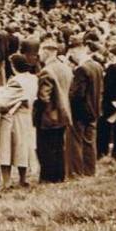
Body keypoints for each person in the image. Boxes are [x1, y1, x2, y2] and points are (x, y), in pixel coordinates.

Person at [0, 54, 35, 189]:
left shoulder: (16, 81)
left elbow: (2, 102)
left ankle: (6, 182)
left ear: (13, 66)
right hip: (26, 117)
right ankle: (22, 179)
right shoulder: (33, 79)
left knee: (6, 148)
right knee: (22, 148)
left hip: (12, 118)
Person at [33, 39, 73, 183]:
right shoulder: (65, 68)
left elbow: (44, 97)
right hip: (63, 114)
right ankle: (59, 176)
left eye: (40, 52)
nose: (39, 55)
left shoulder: (46, 71)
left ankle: (47, 177)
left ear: (46, 51)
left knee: (45, 148)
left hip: (49, 115)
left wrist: (36, 109)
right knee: (58, 146)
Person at [67, 43, 104, 177]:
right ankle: (90, 170)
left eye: (71, 54)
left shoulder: (81, 69)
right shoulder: (97, 66)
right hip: (94, 109)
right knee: (89, 142)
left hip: (80, 111)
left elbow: (78, 94)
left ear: (77, 52)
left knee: (76, 142)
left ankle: (76, 171)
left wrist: (68, 98)